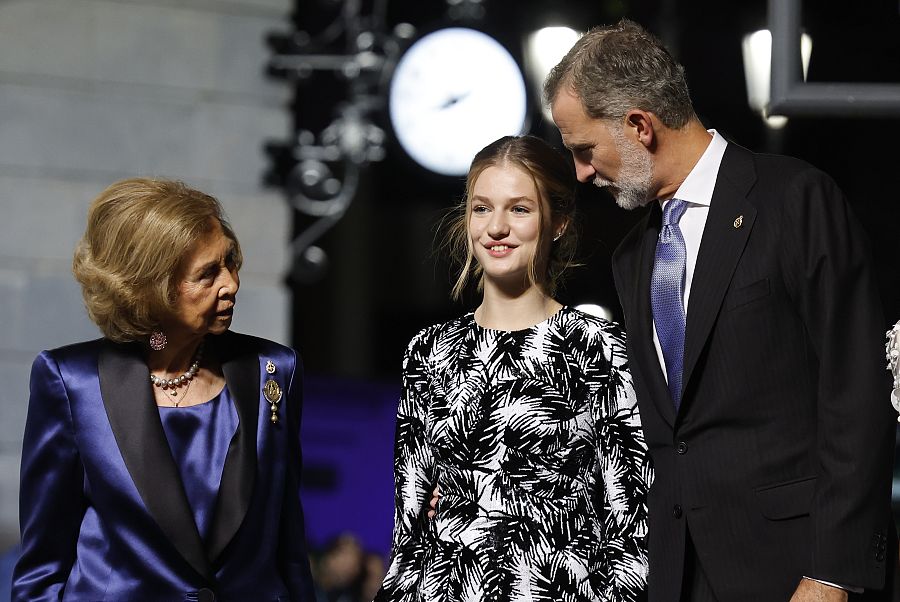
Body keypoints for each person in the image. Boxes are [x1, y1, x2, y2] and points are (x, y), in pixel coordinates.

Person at [544, 18, 896, 602]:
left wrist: (835, 571)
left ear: (639, 126)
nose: (581, 172)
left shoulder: (795, 201)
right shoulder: (632, 256)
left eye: (584, 150)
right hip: (679, 578)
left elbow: (857, 392)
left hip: (797, 574)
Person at [12, 178, 316, 601]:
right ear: (150, 290)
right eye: (207, 274)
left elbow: (289, 550)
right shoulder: (70, 380)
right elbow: (43, 567)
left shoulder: (275, 371)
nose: (230, 284)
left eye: (230, 262)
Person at [376, 135, 650, 602]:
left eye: (519, 209)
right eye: (482, 208)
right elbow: (409, 528)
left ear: (558, 221)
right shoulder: (429, 352)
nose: (496, 227)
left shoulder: (600, 351)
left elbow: (631, 530)